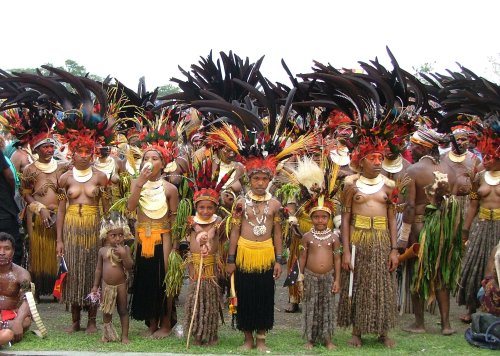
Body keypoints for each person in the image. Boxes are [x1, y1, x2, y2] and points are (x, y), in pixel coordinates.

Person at [337, 143, 399, 348]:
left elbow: (392, 219)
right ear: (361, 161)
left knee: (382, 285)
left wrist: (394, 249)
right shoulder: (350, 185)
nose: (378, 162)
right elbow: (345, 219)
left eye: (380, 158)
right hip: (358, 240)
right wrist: (346, 251)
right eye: (372, 158)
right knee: (359, 283)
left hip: (381, 240)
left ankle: (383, 330)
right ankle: (357, 331)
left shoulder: (389, 186)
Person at [402, 128, 460, 336]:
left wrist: (403, 236)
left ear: (422, 147)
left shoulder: (414, 171)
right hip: (443, 230)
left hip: (420, 227)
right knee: (440, 274)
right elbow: (451, 206)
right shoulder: (450, 170)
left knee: (418, 272)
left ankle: (419, 323)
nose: (411, 149)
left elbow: (409, 206)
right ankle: (446, 324)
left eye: (413, 145)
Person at [128, 140, 179, 338]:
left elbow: (174, 220)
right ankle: (151, 323)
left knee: (163, 279)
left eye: (154, 158)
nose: (149, 162)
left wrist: (175, 246)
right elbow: (131, 207)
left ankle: (166, 323)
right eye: (146, 158)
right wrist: (139, 183)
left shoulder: (170, 189)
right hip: (142, 236)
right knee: (147, 278)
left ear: (163, 164)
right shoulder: (136, 183)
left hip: (163, 236)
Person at [458, 130, 500, 322]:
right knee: (473, 264)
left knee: (495, 268)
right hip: (481, 225)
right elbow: (473, 205)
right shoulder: (479, 177)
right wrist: (465, 230)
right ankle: (471, 307)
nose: (486, 160)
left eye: (490, 157)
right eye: (485, 156)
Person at [22, 133, 68, 298]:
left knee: (58, 250)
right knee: (38, 252)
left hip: (58, 215)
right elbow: (26, 195)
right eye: (45, 147)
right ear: (36, 149)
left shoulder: (62, 168)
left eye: (51, 147)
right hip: (38, 217)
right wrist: (40, 208)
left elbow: (65, 190)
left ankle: (57, 290)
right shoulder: (30, 169)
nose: (49, 150)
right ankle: (38, 290)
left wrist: (61, 208)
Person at [184, 168, 226, 346]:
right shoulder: (192, 221)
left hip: (211, 265)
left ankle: (211, 333)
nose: (206, 210)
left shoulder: (218, 221)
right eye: (201, 207)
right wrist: (199, 230)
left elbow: (216, 232)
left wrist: (207, 233)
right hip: (194, 264)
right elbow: (194, 228)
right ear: (196, 207)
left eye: (210, 207)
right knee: (195, 298)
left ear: (216, 207)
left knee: (210, 299)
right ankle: (196, 333)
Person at [298, 199, 341, 350]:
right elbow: (302, 258)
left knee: (327, 308)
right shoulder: (307, 237)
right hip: (310, 277)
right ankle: (311, 339)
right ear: (311, 218)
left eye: (324, 217)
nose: (320, 220)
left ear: (329, 218)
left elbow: (337, 258)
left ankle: (327, 338)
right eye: (316, 217)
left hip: (328, 277)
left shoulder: (334, 238)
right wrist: (300, 278)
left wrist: (337, 279)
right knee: (311, 307)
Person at [91, 216, 134, 343]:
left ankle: (124, 336)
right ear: (106, 235)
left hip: (121, 285)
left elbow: (129, 266)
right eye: (113, 235)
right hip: (106, 285)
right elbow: (99, 270)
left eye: (121, 235)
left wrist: (124, 255)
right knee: (107, 312)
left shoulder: (125, 249)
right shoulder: (102, 251)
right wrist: (95, 286)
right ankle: (107, 335)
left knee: (123, 310)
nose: (117, 238)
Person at [0, 232, 32, 345]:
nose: (1, 253)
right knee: (7, 334)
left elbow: (27, 299)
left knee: (26, 320)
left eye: (6, 249)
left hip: (10, 317)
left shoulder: (21, 274)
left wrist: (18, 321)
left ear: (13, 251)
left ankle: (5, 330)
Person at [0, 148, 22, 265]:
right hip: (4, 211)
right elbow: (10, 177)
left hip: (4, 212)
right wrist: (10, 195)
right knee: (11, 249)